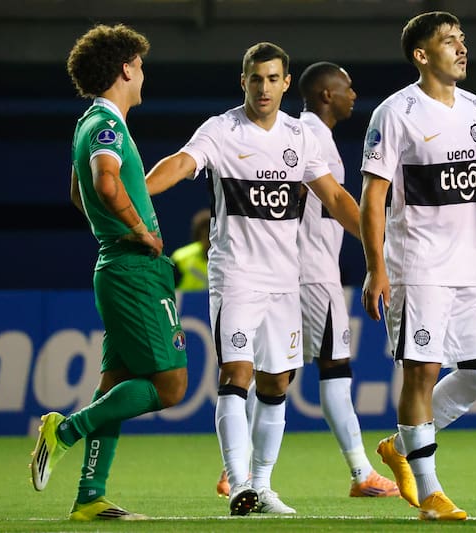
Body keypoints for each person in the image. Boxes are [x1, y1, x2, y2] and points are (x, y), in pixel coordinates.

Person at [145, 42, 361, 516]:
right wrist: (137, 192)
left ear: (286, 84)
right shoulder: (222, 131)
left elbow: (334, 197)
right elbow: (181, 163)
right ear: (243, 82)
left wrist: (377, 242)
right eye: (256, 79)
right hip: (236, 277)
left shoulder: (299, 137)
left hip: (286, 281)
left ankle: (261, 486)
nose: (264, 87)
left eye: (273, 79)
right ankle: (239, 482)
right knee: (236, 374)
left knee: (277, 382)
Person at [214, 61, 400, 500]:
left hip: (294, 272)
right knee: (334, 368)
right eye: (347, 87)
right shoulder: (309, 135)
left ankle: (237, 468)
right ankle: (361, 472)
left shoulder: (305, 133)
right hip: (313, 273)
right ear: (326, 94)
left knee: (276, 375)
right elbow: (322, 197)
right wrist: (382, 249)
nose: (354, 95)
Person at [359, 11, 476, 521]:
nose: (462, 47)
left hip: (468, 269)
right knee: (422, 372)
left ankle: (400, 446)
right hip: (417, 266)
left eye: (462, 39)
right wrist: (376, 267)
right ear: (422, 55)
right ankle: (429, 493)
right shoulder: (395, 113)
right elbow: (373, 196)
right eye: (449, 41)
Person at [29, 23, 188, 521]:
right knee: (171, 386)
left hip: (117, 266)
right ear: (125, 69)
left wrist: (109, 228)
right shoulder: (108, 125)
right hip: (134, 271)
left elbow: (78, 192)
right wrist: (139, 230)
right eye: (139, 65)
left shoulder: (88, 123)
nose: (143, 73)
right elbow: (103, 183)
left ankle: (89, 497)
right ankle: (65, 431)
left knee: (115, 385)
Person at [171, 208, 211, 291]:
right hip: (184, 299)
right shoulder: (180, 258)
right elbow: (168, 288)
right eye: (205, 236)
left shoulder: (230, 258)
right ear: (198, 235)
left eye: (213, 237)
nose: (209, 241)